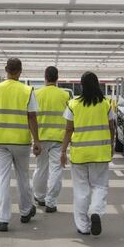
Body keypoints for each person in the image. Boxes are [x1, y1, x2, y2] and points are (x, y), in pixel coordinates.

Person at [0, 58, 42, 232]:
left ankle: (3, 219)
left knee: (2, 178)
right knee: (22, 177)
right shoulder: (27, 91)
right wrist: (37, 141)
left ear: (6, 69)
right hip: (20, 140)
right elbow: (32, 117)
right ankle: (26, 211)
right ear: (20, 71)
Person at [60, 71, 114, 236]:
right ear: (97, 84)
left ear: (82, 86)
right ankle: (96, 211)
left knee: (81, 190)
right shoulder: (105, 104)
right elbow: (111, 127)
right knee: (100, 186)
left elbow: (69, 130)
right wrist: (111, 145)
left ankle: (83, 226)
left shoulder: (73, 104)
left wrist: (63, 151)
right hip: (100, 153)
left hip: (80, 154)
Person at [32, 66, 70, 213]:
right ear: (57, 78)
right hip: (59, 139)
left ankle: (40, 197)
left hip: (40, 137)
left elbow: (31, 115)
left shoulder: (36, 94)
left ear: (45, 77)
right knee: (56, 170)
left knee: (41, 168)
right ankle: (51, 202)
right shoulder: (65, 95)